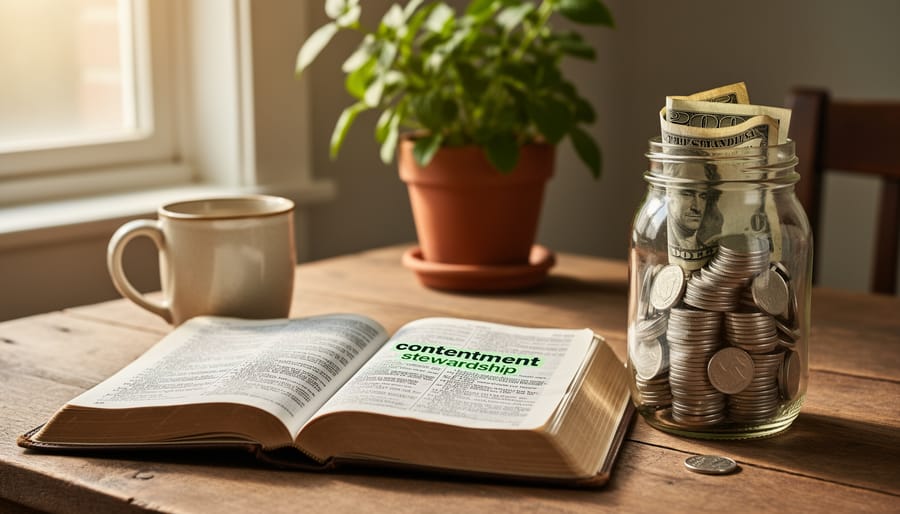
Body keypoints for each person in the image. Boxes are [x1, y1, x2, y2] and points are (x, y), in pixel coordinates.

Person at [666, 187, 719, 269]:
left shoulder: (711, 249)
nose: (697, 208)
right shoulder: (659, 247)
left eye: (703, 196)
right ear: (669, 194)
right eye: (687, 194)